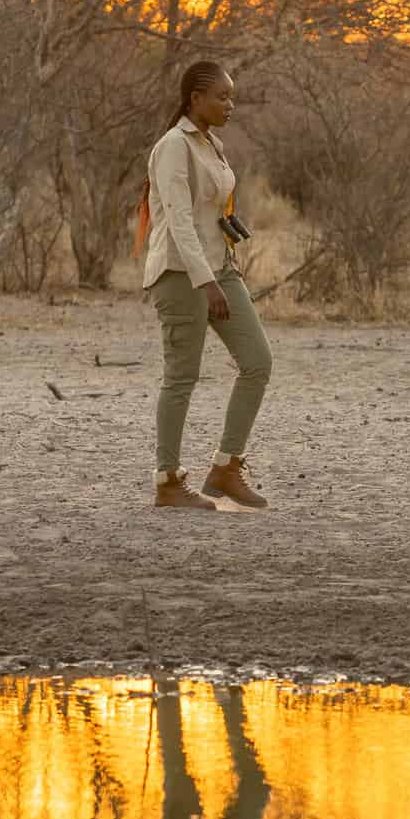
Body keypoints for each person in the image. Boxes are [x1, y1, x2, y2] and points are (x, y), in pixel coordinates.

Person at [139, 61, 272, 509]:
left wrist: (222, 268)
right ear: (195, 99)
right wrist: (205, 283)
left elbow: (209, 213)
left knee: (257, 362)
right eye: (221, 96)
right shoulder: (173, 146)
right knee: (181, 377)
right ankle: (168, 482)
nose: (229, 104)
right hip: (182, 275)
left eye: (231, 96)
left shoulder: (210, 145)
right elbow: (177, 221)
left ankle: (226, 468)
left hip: (220, 269)